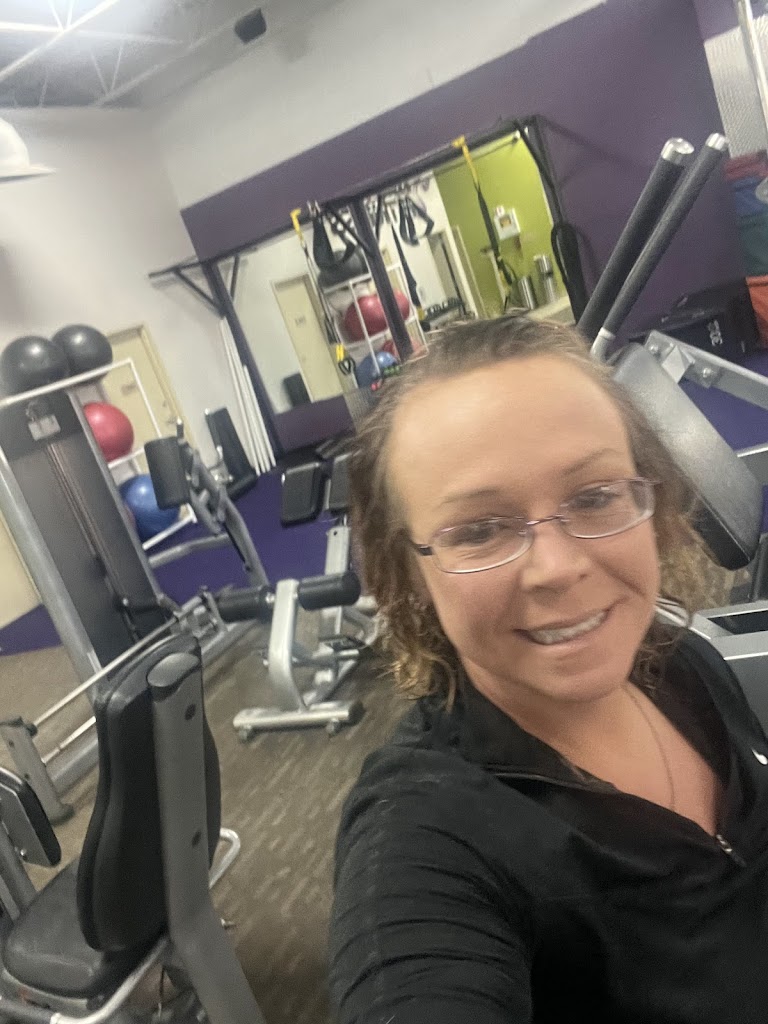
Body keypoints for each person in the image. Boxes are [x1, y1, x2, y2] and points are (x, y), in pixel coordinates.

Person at [328, 313, 768, 1024]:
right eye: (478, 530)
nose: (558, 568)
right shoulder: (425, 842)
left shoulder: (682, 664)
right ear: (406, 573)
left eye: (594, 497)